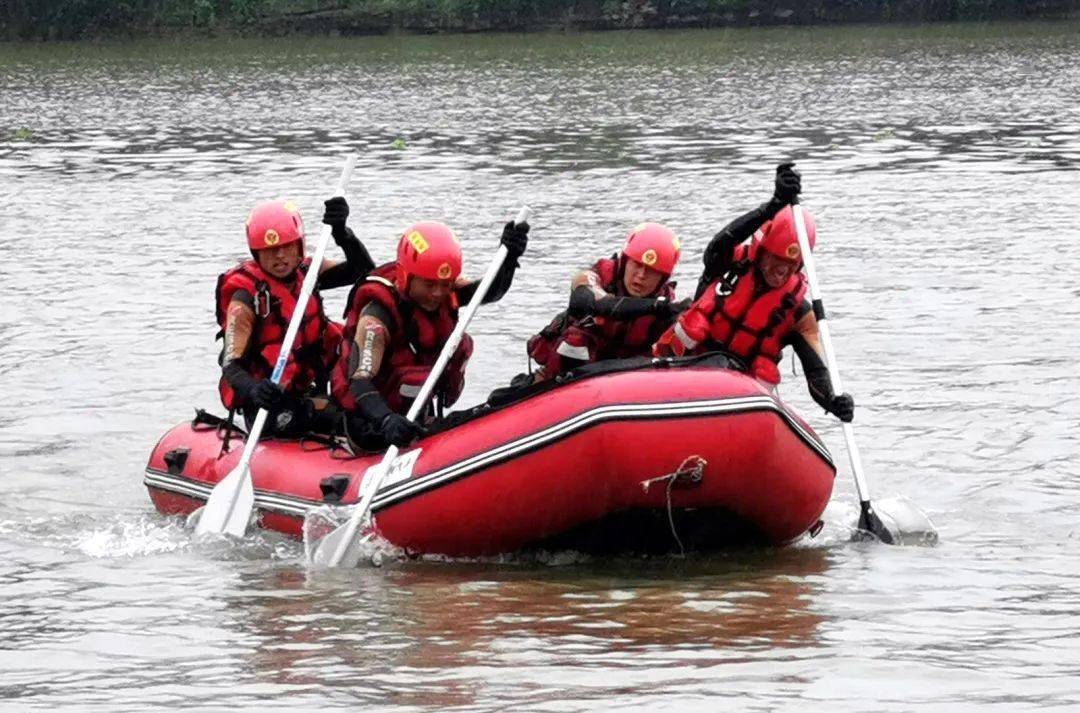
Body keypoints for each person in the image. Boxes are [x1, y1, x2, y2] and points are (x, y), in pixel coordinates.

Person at [653, 163, 855, 422]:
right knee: (693, 332)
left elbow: (815, 370)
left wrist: (833, 401)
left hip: (739, 399)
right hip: (683, 376)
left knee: (758, 372)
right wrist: (773, 206)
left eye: (791, 264)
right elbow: (719, 242)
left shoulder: (799, 312)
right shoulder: (726, 265)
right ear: (760, 250)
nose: (782, 270)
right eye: (776, 259)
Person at [331, 218, 529, 449]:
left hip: (416, 416)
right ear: (406, 277)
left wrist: (507, 259)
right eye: (429, 284)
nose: (437, 293)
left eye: (445, 284)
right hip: (371, 421)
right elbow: (360, 380)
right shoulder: (376, 319)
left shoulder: (445, 291)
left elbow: (488, 292)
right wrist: (386, 419)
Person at [215, 196, 374, 437]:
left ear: (299, 245)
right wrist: (255, 389)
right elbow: (231, 365)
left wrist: (343, 234)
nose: (279, 256)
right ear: (256, 253)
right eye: (269, 250)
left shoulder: (307, 273)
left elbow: (361, 271)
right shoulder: (245, 298)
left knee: (360, 409)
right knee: (347, 423)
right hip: (269, 404)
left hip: (309, 388)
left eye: (286, 246)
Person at [525, 222, 687, 381]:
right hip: (564, 378)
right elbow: (597, 304)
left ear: (663, 278)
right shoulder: (590, 278)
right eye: (637, 264)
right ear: (624, 262)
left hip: (625, 382)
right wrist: (655, 307)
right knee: (577, 339)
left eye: (652, 271)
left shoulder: (668, 310)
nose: (641, 275)